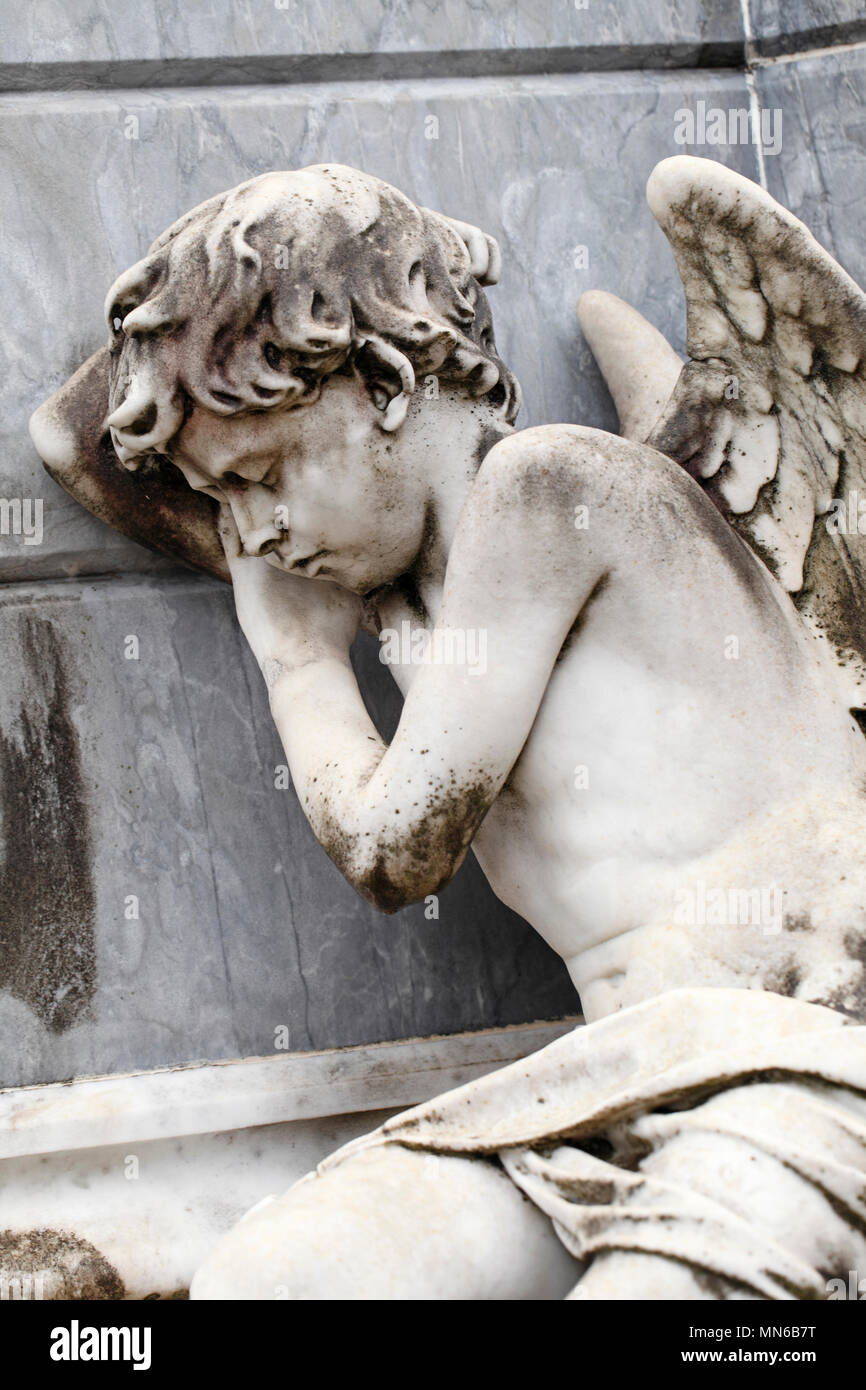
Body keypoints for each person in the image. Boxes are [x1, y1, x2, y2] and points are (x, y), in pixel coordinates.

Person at [31, 160, 866, 1300]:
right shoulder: (408, 600)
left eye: (264, 476)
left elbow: (397, 851)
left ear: (382, 383)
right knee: (273, 1283)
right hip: (619, 1086)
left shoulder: (551, 489)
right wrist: (202, 326)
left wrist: (299, 664)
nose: (252, 536)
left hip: (807, 1058)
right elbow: (76, 438)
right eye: (224, 498)